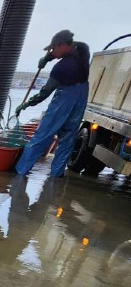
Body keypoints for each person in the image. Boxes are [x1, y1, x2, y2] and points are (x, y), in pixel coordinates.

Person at [14, 29, 90, 177]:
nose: (52, 51)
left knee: (41, 137)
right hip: (81, 98)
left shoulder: (61, 67)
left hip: (64, 101)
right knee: (68, 140)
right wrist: (49, 57)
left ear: (62, 45)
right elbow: (76, 44)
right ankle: (55, 177)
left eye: (53, 48)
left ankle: (20, 173)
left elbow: (45, 92)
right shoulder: (83, 50)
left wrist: (27, 104)